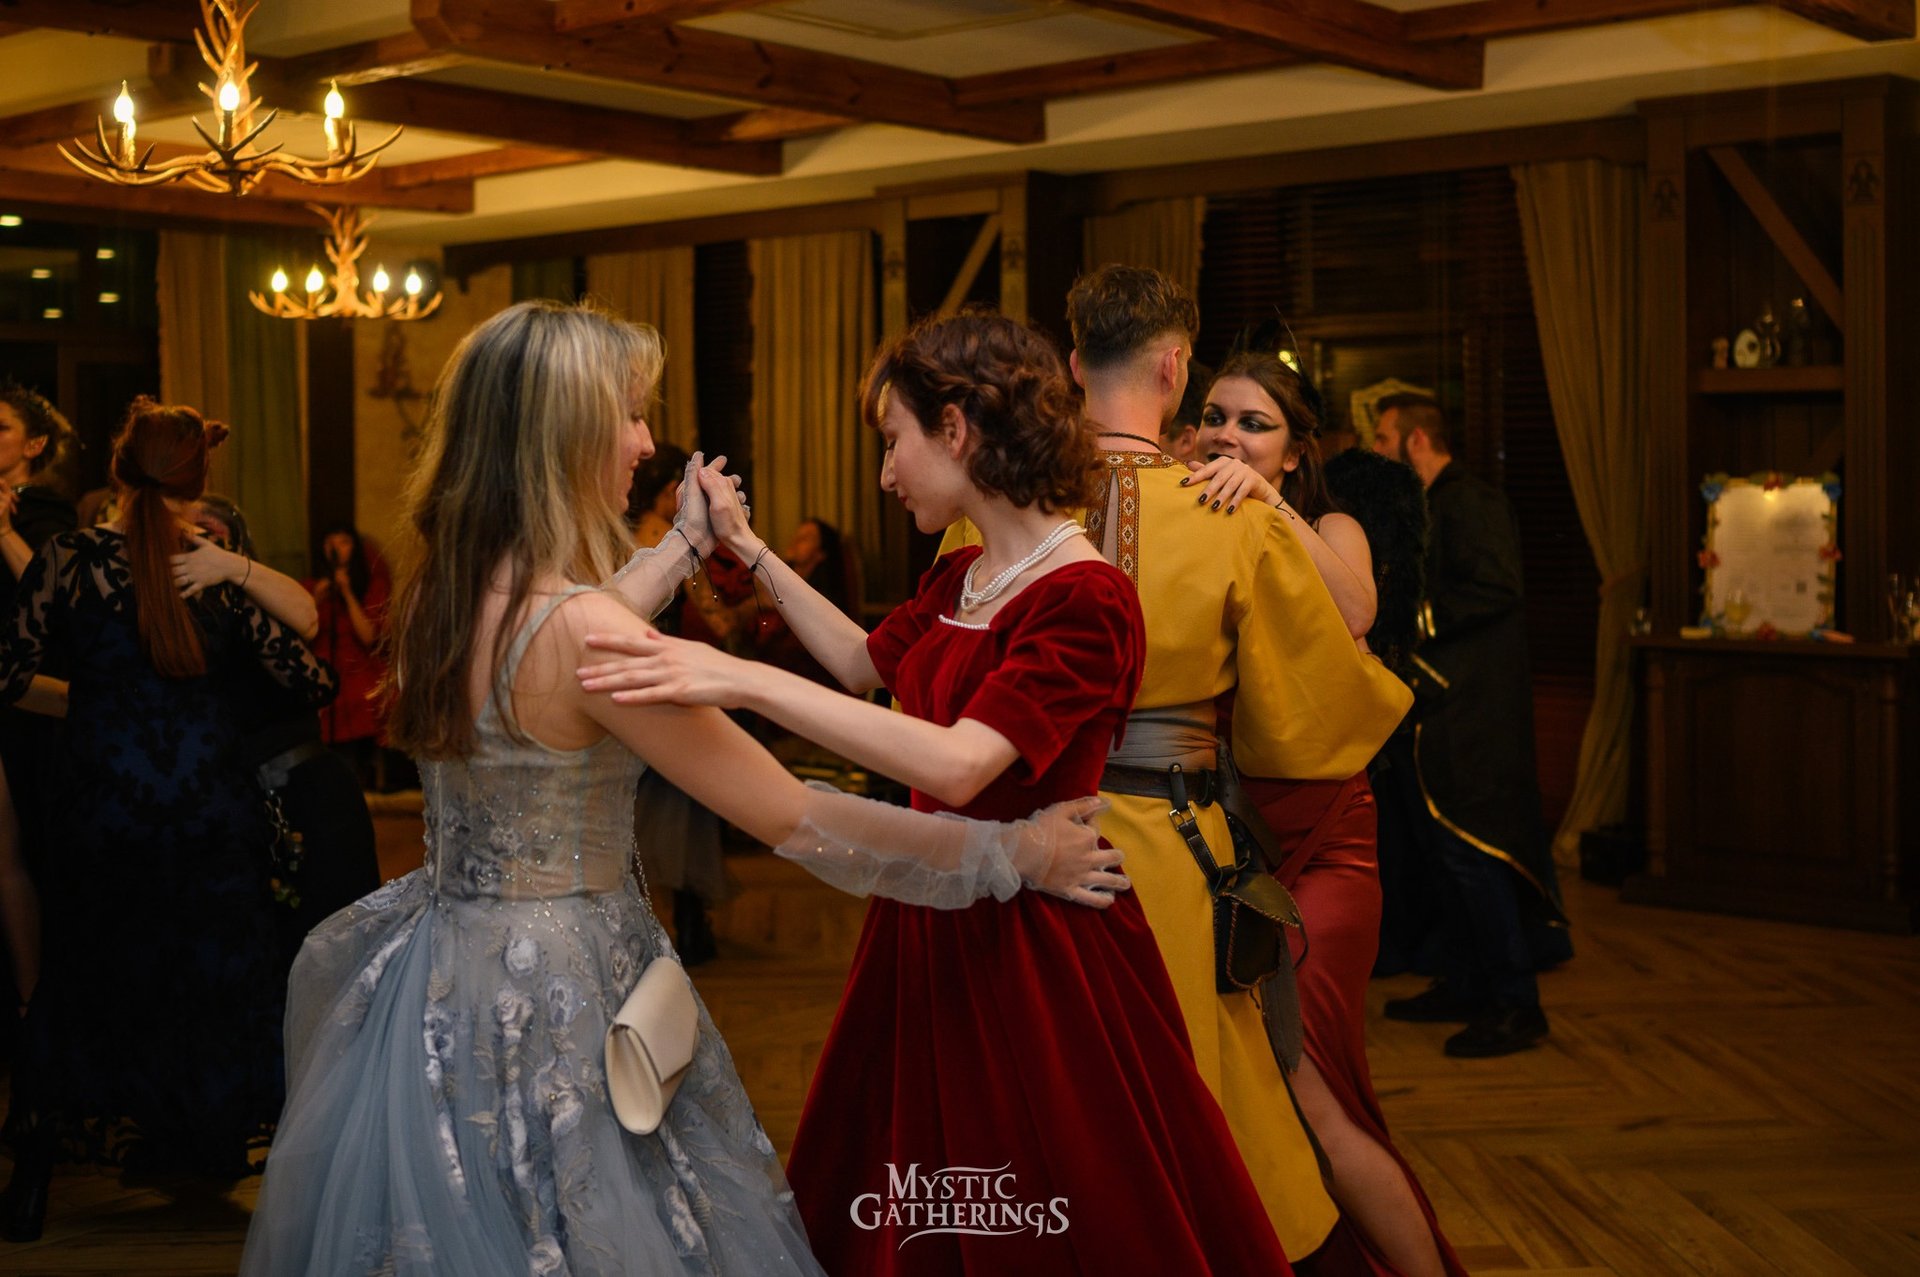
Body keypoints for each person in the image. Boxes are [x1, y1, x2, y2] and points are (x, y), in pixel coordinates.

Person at [240, 300, 1121, 1277]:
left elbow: (573, 625)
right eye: (630, 412)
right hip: (565, 984)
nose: (647, 441)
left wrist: (690, 547)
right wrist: (1013, 852)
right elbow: (795, 811)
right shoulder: (586, 631)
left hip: (444, 968)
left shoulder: (443, 595)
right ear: (565, 433)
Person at [579, 308, 1297, 1275]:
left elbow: (959, 763)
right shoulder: (965, 571)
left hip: (1033, 946)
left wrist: (739, 679)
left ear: (955, 429)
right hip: (932, 908)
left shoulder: (1084, 596)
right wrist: (747, 548)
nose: (885, 473)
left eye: (894, 442)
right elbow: (860, 661)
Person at [0, 399, 337, 1241]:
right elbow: (313, 670)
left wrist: (93, 706)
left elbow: (6, 676)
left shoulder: (67, 561)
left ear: (116, 473)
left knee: (85, 978)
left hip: (101, 814)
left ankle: (34, 1176)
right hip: (210, 819)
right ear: (198, 482)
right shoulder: (208, 574)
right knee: (215, 984)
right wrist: (237, 572)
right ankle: (244, 1166)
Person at [1188, 351, 1461, 1277]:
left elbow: (1356, 610)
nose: (1228, 433)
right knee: (1249, 1094)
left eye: (1254, 422)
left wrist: (1268, 506)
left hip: (1327, 839)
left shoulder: (1325, 519)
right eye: (1214, 415)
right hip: (1229, 842)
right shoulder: (1193, 522)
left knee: (1315, 1087)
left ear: (1297, 449)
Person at [1370, 393, 1571, 1057]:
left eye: (1383, 438)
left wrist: (1410, 621)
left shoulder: (1472, 501)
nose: (1376, 450)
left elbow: (1497, 587)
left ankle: (1517, 1003)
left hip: (1475, 715)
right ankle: (1463, 982)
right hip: (1439, 714)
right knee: (1444, 855)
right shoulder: (1426, 506)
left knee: (1473, 856)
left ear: (1416, 440)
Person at [177, 496, 380, 960]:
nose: (197, 542)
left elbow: (317, 681)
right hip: (234, 805)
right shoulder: (178, 616)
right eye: (186, 534)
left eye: (209, 533)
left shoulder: (259, 604)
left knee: (335, 946)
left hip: (309, 794)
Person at [625, 442, 729, 964]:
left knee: (650, 814)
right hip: (662, 689)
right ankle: (683, 926)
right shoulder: (665, 544)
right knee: (682, 808)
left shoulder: (620, 537)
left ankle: (660, 928)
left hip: (630, 688)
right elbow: (713, 615)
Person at [0, 383, 76, 1030]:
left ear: (34, 445)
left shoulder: (48, 513)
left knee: (37, 844)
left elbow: (56, 602)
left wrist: (1, 530)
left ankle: (46, 999)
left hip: (33, 701)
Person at [308, 524, 393, 787]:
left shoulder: (372, 586)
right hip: (322, 674)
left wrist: (346, 593)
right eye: (329, 541)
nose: (335, 548)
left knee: (360, 703)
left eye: (343, 541)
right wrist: (316, 599)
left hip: (357, 675)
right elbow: (302, 633)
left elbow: (369, 636)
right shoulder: (312, 587)